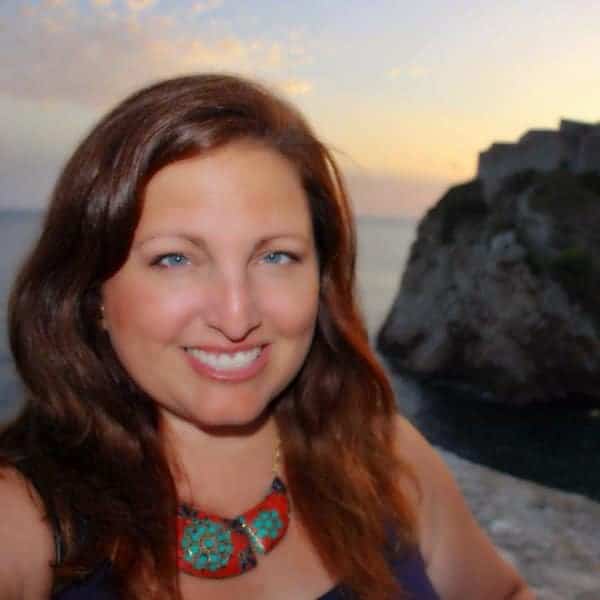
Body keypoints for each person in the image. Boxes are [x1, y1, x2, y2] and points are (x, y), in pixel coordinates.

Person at [0, 74, 534, 600]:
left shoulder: (383, 455)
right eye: (175, 258)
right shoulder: (23, 522)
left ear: (320, 279)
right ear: (92, 294)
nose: (237, 317)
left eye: (276, 255)